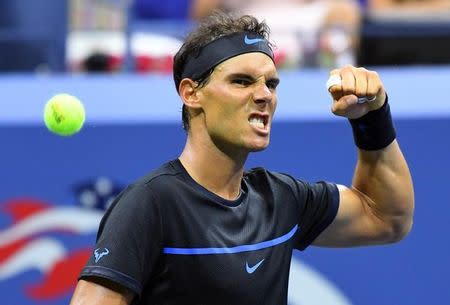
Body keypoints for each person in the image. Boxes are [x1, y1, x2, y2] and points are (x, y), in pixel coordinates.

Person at [69, 11, 414, 305]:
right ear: (191, 93)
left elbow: (386, 217)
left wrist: (372, 117)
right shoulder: (151, 203)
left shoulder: (281, 200)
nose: (264, 95)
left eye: (271, 84)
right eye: (242, 81)